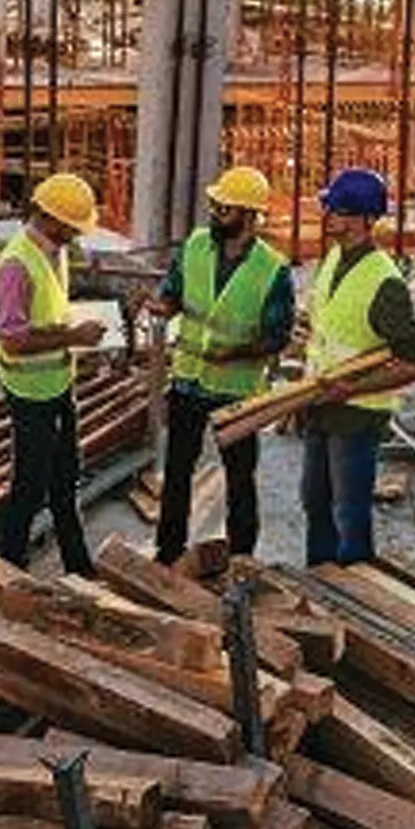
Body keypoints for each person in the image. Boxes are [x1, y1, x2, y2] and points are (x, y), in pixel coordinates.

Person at [142, 165, 294, 565]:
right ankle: (168, 552)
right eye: (214, 206)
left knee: (240, 480)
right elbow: (174, 293)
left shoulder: (273, 269)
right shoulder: (195, 246)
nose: (214, 214)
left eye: (224, 209)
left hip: (236, 391)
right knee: (176, 475)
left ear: (249, 216)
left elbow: (278, 335)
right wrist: (161, 305)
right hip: (189, 382)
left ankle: (242, 558)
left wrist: (235, 353)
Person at [297, 166, 415, 566]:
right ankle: (321, 580)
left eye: (338, 211)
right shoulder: (332, 260)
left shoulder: (384, 282)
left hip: (357, 414)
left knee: (349, 512)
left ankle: (356, 590)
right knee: (314, 501)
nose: (329, 217)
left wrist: (353, 389)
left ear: (364, 219)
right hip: (320, 402)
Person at [0, 170, 110, 571]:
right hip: (29, 391)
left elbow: (49, 310)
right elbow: (13, 341)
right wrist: (74, 337)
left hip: (57, 382)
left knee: (65, 478)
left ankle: (78, 564)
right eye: (72, 228)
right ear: (51, 219)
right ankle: (9, 567)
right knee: (30, 485)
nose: (76, 236)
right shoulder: (16, 267)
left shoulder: (51, 251)